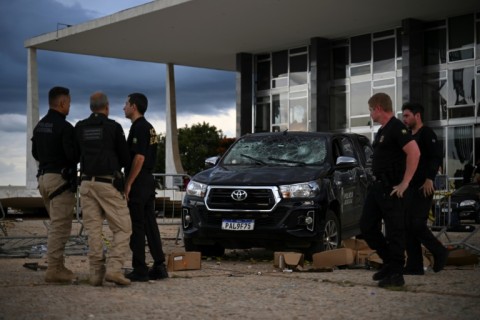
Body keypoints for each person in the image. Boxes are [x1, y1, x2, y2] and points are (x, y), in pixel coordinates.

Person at [360, 93, 420, 288]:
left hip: (392, 188)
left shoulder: (397, 127)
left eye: (370, 110)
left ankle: (396, 273)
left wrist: (405, 183)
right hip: (377, 188)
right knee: (367, 226)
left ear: (378, 108)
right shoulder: (382, 130)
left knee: (395, 231)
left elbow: (414, 152)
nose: (370, 114)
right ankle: (389, 263)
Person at [75, 92, 132, 286]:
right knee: (123, 228)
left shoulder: (80, 127)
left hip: (85, 184)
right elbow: (125, 158)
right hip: (107, 184)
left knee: (93, 230)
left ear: (91, 107)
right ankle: (114, 270)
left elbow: (75, 154)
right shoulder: (113, 127)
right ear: (107, 107)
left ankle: (95, 275)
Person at [31, 86, 79, 283]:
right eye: (68, 102)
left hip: (43, 178)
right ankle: (54, 269)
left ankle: (58, 266)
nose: (69, 106)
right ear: (61, 103)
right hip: (59, 181)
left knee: (56, 225)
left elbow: (35, 154)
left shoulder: (40, 125)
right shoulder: (65, 128)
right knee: (60, 227)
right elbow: (73, 156)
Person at [123, 92, 169, 281]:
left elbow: (139, 157)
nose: (124, 107)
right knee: (150, 224)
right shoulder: (149, 128)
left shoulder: (139, 127)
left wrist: (128, 183)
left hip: (140, 181)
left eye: (126, 104)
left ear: (134, 106)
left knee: (137, 226)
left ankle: (140, 268)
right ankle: (159, 265)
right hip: (148, 181)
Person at [402, 102, 448, 275]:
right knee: (407, 224)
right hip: (409, 186)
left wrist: (430, 178)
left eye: (407, 115)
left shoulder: (427, 134)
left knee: (417, 223)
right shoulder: (407, 135)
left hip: (424, 186)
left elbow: (435, 157)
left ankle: (440, 251)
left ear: (417, 115)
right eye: (403, 116)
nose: (404, 119)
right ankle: (414, 265)